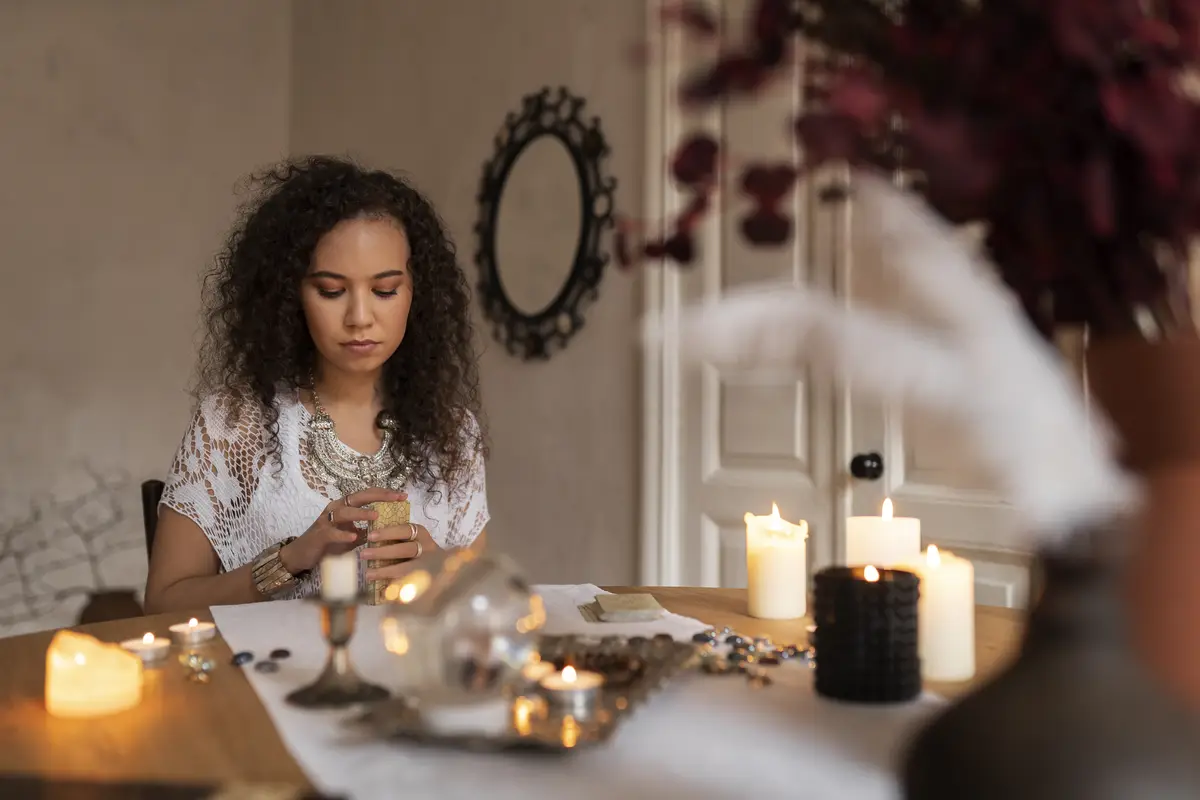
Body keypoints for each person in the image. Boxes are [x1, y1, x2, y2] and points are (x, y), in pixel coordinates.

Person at [144, 156, 488, 613]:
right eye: (331, 291)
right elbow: (163, 605)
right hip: (263, 680)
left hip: (410, 677)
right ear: (290, 296)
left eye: (384, 290)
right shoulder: (235, 426)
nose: (360, 317)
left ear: (416, 295)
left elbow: (487, 607)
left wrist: (442, 571)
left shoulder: (452, 434)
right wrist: (290, 560)